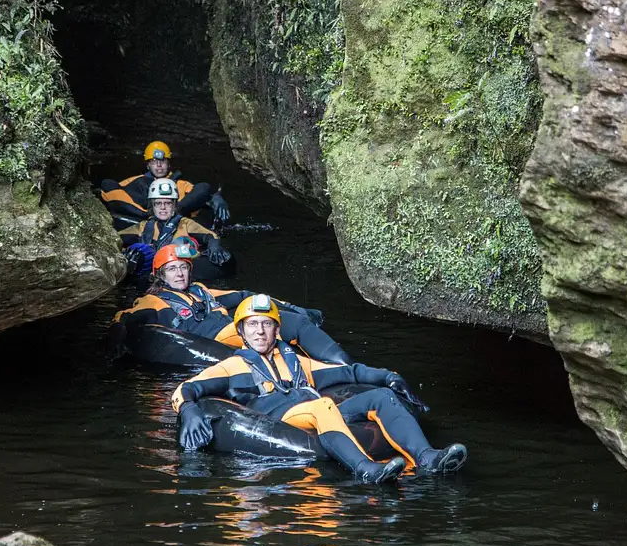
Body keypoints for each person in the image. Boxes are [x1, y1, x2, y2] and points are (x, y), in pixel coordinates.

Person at [170, 295, 468, 483]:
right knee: (321, 406)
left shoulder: (296, 360)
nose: (260, 331)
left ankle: (428, 458)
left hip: (312, 410)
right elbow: (185, 389)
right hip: (279, 417)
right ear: (241, 332)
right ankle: (366, 469)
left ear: (277, 329)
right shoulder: (232, 366)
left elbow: (346, 372)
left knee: (381, 397)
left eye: (266, 324)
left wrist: (388, 376)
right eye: (252, 325)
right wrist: (189, 409)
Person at [114, 244, 349, 364]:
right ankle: (340, 367)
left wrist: (296, 307)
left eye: (184, 267)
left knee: (285, 320)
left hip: (235, 331)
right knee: (283, 326)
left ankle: (338, 365)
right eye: (172, 269)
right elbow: (124, 317)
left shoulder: (201, 290)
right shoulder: (153, 301)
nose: (179, 274)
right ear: (160, 275)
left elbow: (243, 294)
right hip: (213, 343)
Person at [101, 140, 230, 228]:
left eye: (162, 161)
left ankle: (174, 212)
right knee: (107, 184)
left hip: (177, 220)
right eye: (154, 161)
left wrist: (215, 197)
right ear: (147, 164)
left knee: (204, 187)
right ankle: (148, 215)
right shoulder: (135, 182)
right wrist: (146, 215)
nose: (158, 165)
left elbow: (202, 191)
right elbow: (108, 191)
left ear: (168, 163)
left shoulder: (180, 184)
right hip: (141, 218)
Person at [120, 178, 232, 274]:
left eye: (168, 203)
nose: (163, 207)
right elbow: (116, 238)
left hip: (179, 272)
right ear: (152, 206)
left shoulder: (185, 223)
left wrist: (214, 245)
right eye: (158, 203)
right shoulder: (143, 227)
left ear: (174, 205)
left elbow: (210, 236)